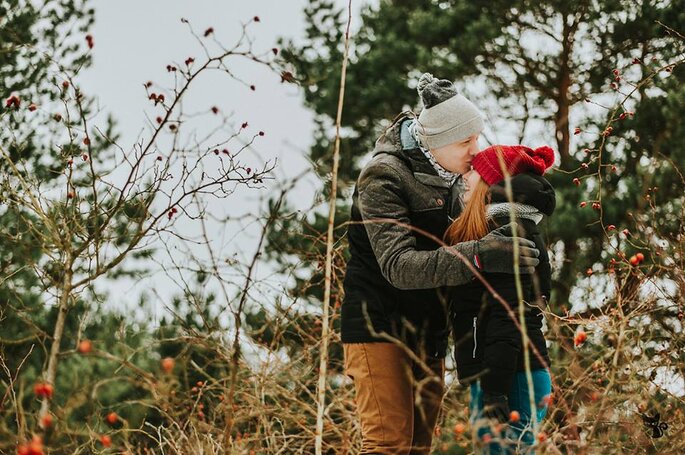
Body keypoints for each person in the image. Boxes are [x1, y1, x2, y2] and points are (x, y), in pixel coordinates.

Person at [341, 73, 542, 454]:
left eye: (476, 138)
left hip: (428, 332)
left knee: (418, 447)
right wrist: (481, 254)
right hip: (378, 326)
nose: (475, 149)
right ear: (435, 141)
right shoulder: (383, 176)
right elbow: (400, 266)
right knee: (387, 443)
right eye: (465, 140)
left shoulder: (453, 177)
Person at [445, 144, 556, 453]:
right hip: (505, 370)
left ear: (490, 181)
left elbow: (511, 313)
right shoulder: (502, 231)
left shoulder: (509, 237)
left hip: (510, 376)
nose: (465, 179)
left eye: (473, 173)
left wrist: (495, 390)